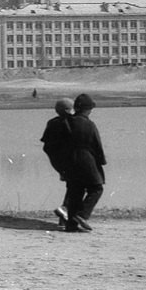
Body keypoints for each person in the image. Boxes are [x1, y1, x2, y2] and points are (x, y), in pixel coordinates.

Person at [62, 93, 107, 233]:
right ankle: (82, 215)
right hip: (87, 159)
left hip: (70, 161)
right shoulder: (89, 124)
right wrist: (101, 162)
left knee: (75, 191)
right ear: (87, 110)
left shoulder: (65, 122)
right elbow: (97, 145)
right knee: (96, 188)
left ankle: (71, 225)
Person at [40, 98, 74, 228]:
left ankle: (64, 218)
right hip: (74, 161)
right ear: (68, 110)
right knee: (75, 189)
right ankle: (66, 214)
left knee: (72, 188)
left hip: (59, 163)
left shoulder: (52, 123)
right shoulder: (73, 122)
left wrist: (58, 165)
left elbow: (46, 147)